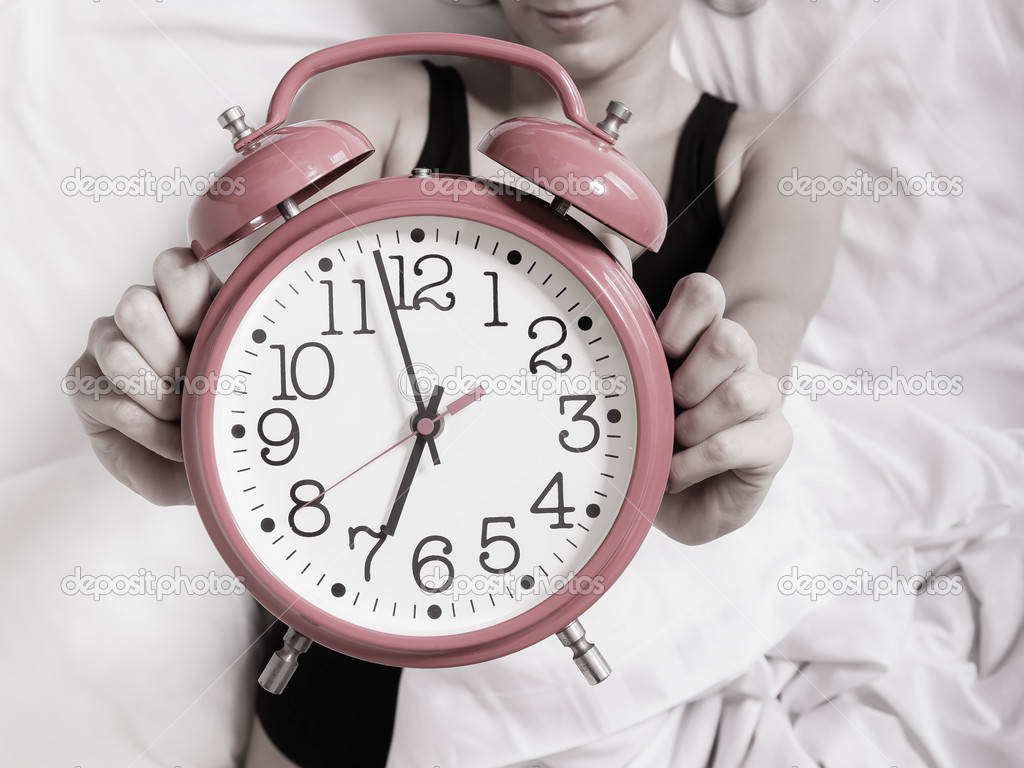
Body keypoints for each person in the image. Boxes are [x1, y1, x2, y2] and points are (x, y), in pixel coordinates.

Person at [68, 0, 844, 764]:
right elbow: (270, 345)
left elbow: (746, 368)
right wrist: (184, 428)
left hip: (616, 612)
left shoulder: (783, 152)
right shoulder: (376, 102)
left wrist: (719, 432)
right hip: (359, 611)